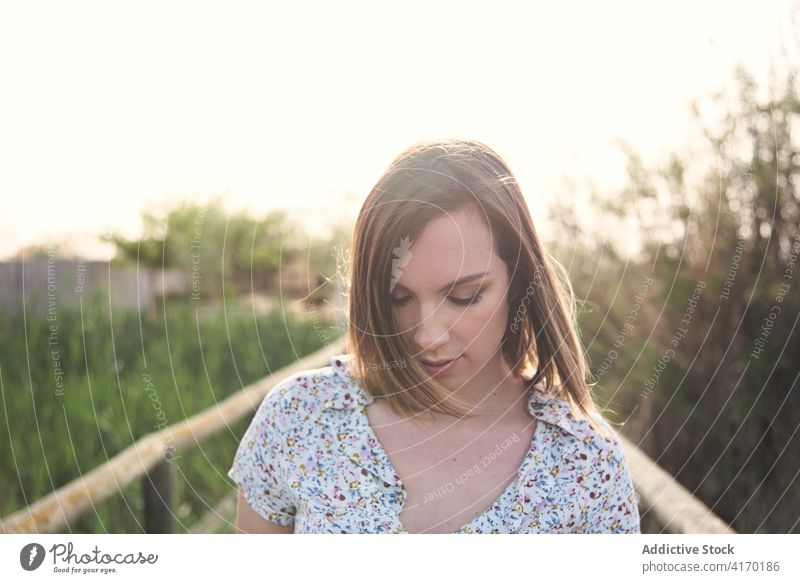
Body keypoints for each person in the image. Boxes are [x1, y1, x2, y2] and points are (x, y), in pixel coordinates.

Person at [228, 138, 641, 534]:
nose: (425, 336)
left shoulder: (586, 465)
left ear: (520, 282)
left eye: (465, 296)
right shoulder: (299, 418)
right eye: (398, 299)